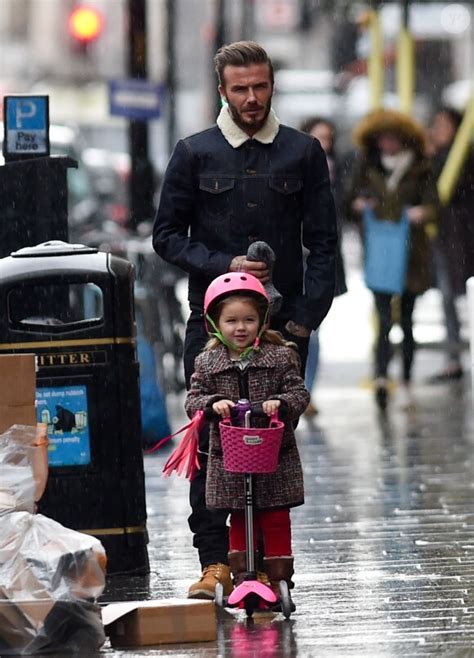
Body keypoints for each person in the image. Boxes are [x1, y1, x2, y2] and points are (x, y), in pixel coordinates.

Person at [153, 40, 337, 599]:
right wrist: (222, 266)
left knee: (271, 448)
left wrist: (305, 322)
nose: (252, 98)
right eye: (241, 89)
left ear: (272, 84)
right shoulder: (194, 152)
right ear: (222, 90)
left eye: (260, 87)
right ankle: (215, 563)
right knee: (212, 442)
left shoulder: (303, 152)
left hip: (281, 331)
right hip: (210, 330)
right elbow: (165, 236)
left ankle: (267, 562)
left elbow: (325, 245)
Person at [185, 272, 309, 605]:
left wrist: (281, 404)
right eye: (231, 321)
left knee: (274, 513)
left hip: (273, 454)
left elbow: (299, 393)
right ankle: (243, 572)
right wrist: (213, 404)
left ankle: (279, 574)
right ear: (215, 324)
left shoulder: (280, 356)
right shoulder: (208, 362)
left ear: (262, 321)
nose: (240, 328)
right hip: (231, 456)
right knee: (239, 512)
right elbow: (193, 399)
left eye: (249, 320)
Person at [345, 109, 438, 411]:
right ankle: (382, 376)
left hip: (413, 255)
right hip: (380, 251)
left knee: (408, 320)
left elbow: (435, 205)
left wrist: (421, 213)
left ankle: (407, 380)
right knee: (384, 319)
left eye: (392, 138)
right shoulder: (367, 165)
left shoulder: (421, 167)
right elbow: (349, 200)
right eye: (382, 138)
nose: (387, 144)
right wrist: (360, 205)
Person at [299, 117, 348, 416]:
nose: (324, 144)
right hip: (294, 260)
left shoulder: (337, 174)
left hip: (320, 260)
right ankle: (299, 389)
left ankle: (306, 390)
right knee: (301, 329)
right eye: (318, 137)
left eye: (328, 138)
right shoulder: (293, 168)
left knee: (313, 329)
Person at [426, 106, 474, 382]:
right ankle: (453, 356)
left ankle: (455, 356)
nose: (438, 130)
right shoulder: (435, 158)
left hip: (460, 236)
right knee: (448, 297)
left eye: (444, 125)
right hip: (447, 237)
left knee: (454, 294)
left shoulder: (462, 157)